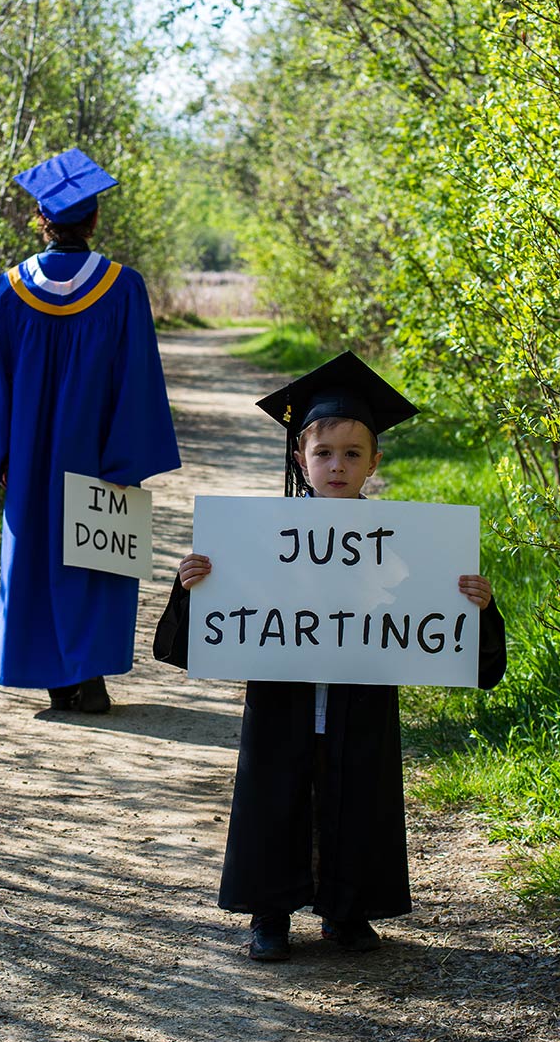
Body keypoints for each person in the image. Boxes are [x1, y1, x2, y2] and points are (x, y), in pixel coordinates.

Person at [154, 351, 506, 961]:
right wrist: (193, 586)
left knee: (357, 793)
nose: (337, 466)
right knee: (275, 791)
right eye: (323, 453)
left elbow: (443, 634)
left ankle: (346, 912)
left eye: (352, 454)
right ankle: (271, 913)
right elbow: (204, 634)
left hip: (360, 693)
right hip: (283, 693)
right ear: (301, 459)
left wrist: (477, 606)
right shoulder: (258, 536)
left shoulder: (409, 541)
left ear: (374, 461)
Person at [0, 147, 180, 713]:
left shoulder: (8, 290)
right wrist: (127, 459)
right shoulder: (123, 287)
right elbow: (138, 381)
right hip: (97, 452)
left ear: (41, 219)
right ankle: (91, 674)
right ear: (94, 220)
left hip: (30, 458)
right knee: (96, 556)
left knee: (32, 555)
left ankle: (58, 681)